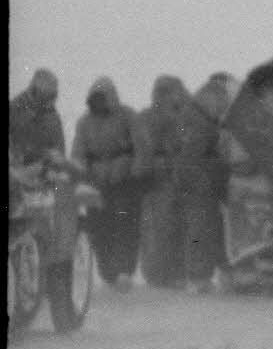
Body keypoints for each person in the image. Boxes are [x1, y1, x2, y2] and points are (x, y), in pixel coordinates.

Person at [70, 77, 147, 291]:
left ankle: (124, 271)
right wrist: (79, 176)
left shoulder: (128, 116)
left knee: (126, 226)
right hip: (96, 184)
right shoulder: (84, 122)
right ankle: (108, 272)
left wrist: (136, 172)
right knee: (99, 228)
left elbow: (141, 147)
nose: (99, 103)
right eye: (95, 99)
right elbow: (78, 152)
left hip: (125, 182)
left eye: (102, 98)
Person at [174, 74, 237, 294]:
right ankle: (199, 277)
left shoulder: (199, 118)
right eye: (222, 102)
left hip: (205, 183)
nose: (224, 108)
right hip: (200, 184)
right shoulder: (199, 122)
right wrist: (207, 181)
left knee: (213, 228)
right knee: (202, 228)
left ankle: (214, 273)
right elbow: (190, 159)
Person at [138, 75, 191, 288]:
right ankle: (162, 274)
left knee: (173, 228)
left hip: (176, 180)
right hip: (159, 182)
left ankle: (171, 273)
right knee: (162, 228)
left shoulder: (185, 116)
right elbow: (144, 149)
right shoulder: (149, 118)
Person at [9, 68, 65, 166]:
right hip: (15, 167)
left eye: (51, 96)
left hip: (43, 169)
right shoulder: (14, 108)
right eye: (44, 96)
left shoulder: (53, 118)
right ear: (34, 92)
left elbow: (60, 152)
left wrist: (54, 160)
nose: (48, 103)